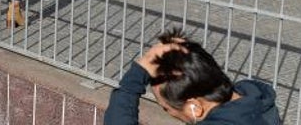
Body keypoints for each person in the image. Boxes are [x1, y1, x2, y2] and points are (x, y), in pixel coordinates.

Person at [104, 29, 281, 124]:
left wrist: (130, 86)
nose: (169, 113)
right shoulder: (259, 104)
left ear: (195, 107)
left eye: (167, 108)